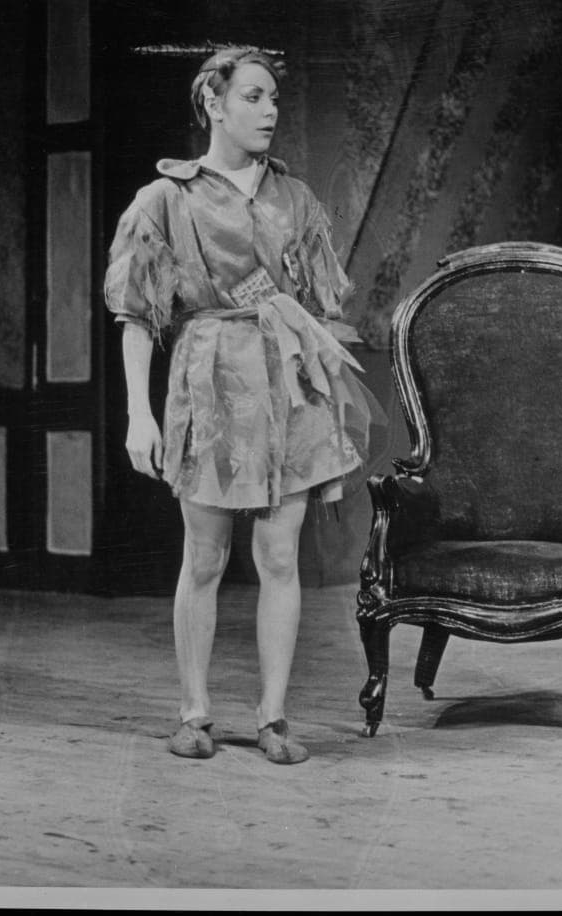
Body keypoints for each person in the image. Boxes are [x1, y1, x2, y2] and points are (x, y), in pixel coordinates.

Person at [104, 46, 381, 766]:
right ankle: (194, 712)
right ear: (213, 104)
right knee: (204, 555)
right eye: (253, 98)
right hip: (209, 380)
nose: (268, 112)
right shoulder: (166, 199)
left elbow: (319, 306)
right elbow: (136, 316)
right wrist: (137, 413)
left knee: (279, 555)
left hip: (288, 383)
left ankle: (272, 717)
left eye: (273, 100)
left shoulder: (295, 199)